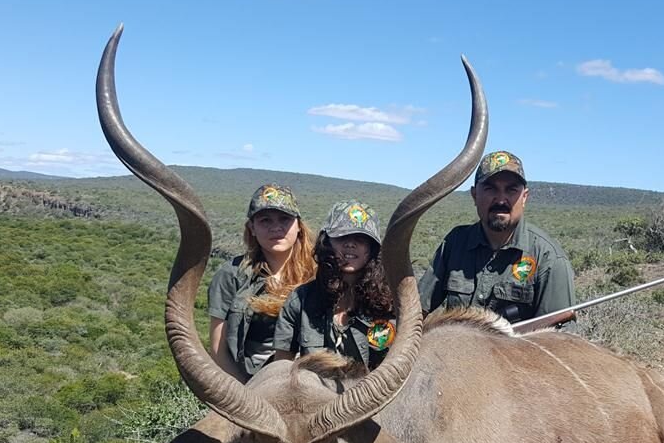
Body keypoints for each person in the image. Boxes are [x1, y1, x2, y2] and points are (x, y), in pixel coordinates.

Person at [417, 150, 575, 323]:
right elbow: (416, 311)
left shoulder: (548, 258)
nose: (501, 199)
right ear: (474, 195)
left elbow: (560, 339)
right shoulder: (454, 243)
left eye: (511, 190)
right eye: (490, 188)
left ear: (524, 197)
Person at [207, 183, 317, 382]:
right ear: (252, 228)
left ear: (298, 226)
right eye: (265, 220)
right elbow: (218, 350)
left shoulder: (320, 274)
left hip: (312, 383)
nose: (276, 227)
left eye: (285, 219)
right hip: (251, 385)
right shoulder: (231, 275)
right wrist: (244, 396)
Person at [274, 200, 396, 369]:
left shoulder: (390, 306)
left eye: (360, 239)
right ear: (327, 243)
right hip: (313, 394)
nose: (350, 244)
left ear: (372, 248)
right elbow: (280, 369)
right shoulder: (300, 301)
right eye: (342, 237)